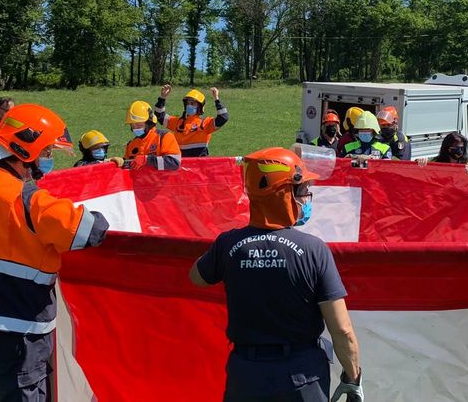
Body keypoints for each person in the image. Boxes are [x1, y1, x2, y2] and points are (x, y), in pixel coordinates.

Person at [0, 104, 111, 401]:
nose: (48, 159)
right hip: (19, 331)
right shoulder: (28, 200)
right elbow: (88, 230)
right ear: (25, 151)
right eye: (47, 151)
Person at [189, 147, 363, 402]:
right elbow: (343, 330)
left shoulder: (227, 244)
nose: (306, 198)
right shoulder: (313, 250)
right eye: (302, 190)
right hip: (301, 375)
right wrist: (352, 378)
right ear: (284, 193)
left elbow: (197, 277)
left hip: (246, 373)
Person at [154, 85, 228, 157]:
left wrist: (216, 99)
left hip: (199, 166)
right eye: (188, 103)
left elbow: (223, 117)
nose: (189, 105)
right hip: (182, 165)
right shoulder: (178, 122)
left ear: (200, 106)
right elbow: (159, 116)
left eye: (192, 103)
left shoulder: (205, 123)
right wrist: (162, 97)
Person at [124, 101, 181, 170]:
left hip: (162, 181)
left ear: (148, 122)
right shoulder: (131, 145)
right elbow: (127, 168)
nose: (136, 128)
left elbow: (174, 163)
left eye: (139, 125)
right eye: (132, 125)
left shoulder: (164, 137)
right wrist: (118, 163)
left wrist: (147, 160)